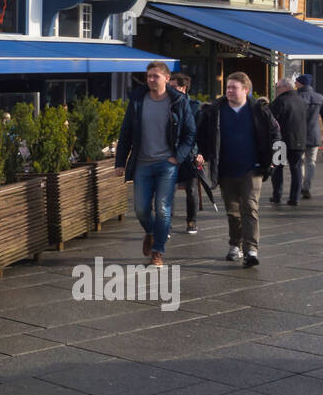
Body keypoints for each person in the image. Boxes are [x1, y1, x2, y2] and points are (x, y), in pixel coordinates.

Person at [114, 61, 197, 268]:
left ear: (167, 78)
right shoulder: (138, 100)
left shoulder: (178, 101)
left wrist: (177, 157)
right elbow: (126, 133)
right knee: (140, 209)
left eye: (155, 76)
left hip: (167, 164)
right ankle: (151, 232)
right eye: (149, 76)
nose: (151, 79)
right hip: (142, 162)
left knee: (162, 208)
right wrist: (120, 162)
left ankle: (158, 252)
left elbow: (190, 133)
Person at [196, 71, 282, 267]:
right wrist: (201, 152)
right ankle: (235, 244)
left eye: (234, 87)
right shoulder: (215, 111)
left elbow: (276, 134)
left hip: (253, 168)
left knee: (250, 208)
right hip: (226, 169)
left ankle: (252, 249)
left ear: (246, 90)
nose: (229, 91)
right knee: (233, 211)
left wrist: (276, 161)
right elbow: (202, 136)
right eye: (227, 87)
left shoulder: (260, 110)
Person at [170, 73, 202, 234]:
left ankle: (192, 221)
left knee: (191, 189)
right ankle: (165, 224)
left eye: (173, 87)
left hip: (190, 155)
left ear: (183, 88)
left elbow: (201, 133)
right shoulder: (165, 105)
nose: (169, 89)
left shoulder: (195, 107)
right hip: (170, 154)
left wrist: (200, 153)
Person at [269, 77, 308, 207]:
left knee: (277, 168)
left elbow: (272, 121)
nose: (277, 89)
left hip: (281, 140)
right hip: (299, 140)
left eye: (278, 87)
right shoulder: (301, 100)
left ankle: (277, 195)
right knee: (296, 169)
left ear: (285, 87)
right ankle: (294, 197)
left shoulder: (280, 101)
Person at [294, 73, 323, 199]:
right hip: (314, 134)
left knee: (299, 162)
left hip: (298, 134)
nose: (295, 84)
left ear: (301, 83)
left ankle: (299, 185)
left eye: (296, 82)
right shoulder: (319, 97)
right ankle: (307, 186)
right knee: (311, 162)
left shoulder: (296, 97)